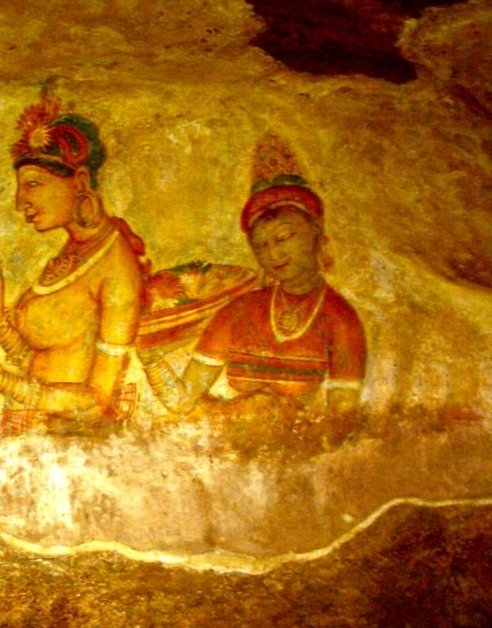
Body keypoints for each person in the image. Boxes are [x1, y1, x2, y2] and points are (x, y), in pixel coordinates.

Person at [0, 95, 148, 438]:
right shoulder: (74, 252)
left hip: (69, 445)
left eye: (33, 184)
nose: (20, 201)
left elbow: (95, 401)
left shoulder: (116, 267)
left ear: (80, 182)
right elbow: (43, 363)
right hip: (32, 434)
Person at [139, 139, 367, 447]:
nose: (274, 253)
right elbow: (181, 401)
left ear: (315, 233)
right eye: (261, 245)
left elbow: (340, 424)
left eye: (284, 236)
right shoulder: (239, 311)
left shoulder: (341, 319)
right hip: (230, 451)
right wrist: (151, 361)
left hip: (300, 458)